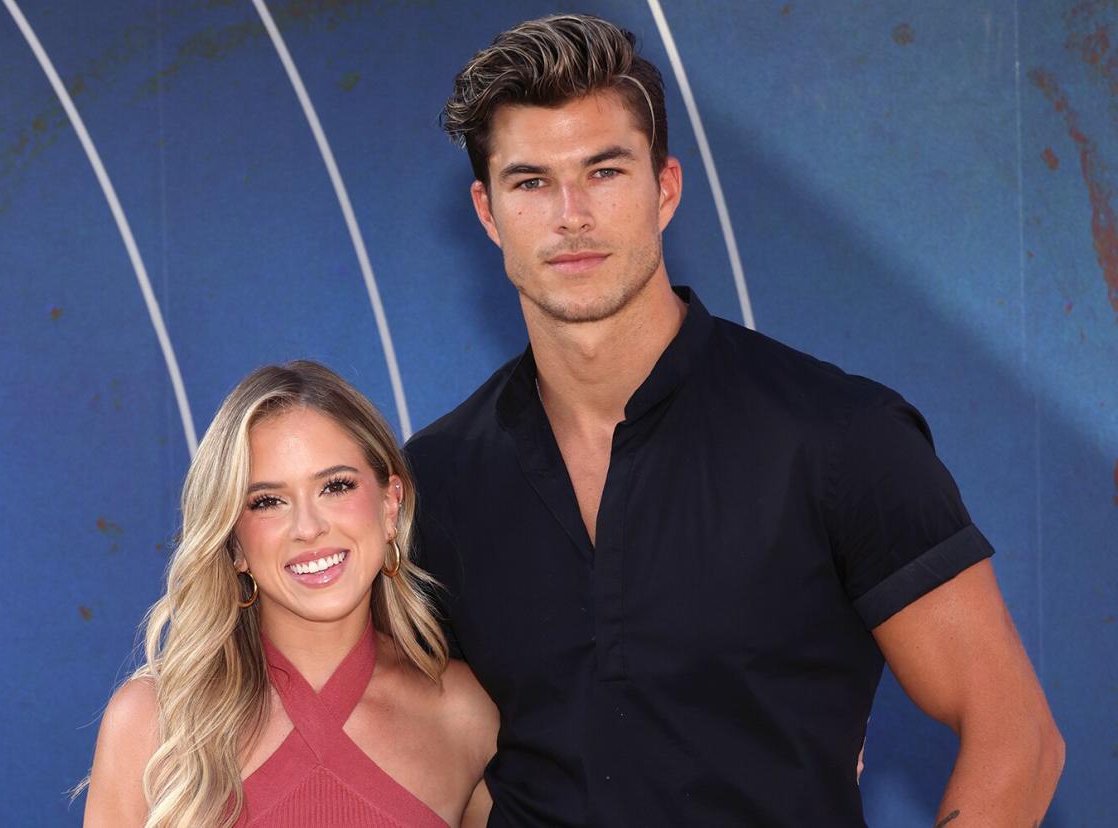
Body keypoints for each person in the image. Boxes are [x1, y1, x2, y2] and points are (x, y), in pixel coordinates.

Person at [405, 14, 1064, 827]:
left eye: (605, 171)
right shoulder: (435, 480)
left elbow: (1017, 735)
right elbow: (415, 752)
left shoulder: (837, 437)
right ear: (487, 211)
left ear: (667, 188)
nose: (570, 214)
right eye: (530, 181)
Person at [82, 361, 497, 827]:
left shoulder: (465, 715)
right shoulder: (152, 723)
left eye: (335, 486)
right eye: (268, 501)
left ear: (389, 504)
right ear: (234, 542)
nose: (308, 528)